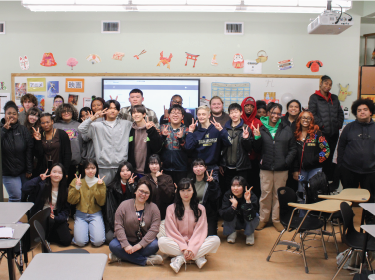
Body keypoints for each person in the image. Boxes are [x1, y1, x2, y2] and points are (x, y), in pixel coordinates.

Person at [158, 178, 221, 273]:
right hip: (178, 243)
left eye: (189, 190)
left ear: (193, 191)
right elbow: (172, 232)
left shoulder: (201, 209)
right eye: (182, 190)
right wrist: (184, 247)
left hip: (196, 243)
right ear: (178, 192)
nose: (186, 193)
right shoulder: (171, 209)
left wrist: (191, 247)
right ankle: (197, 257)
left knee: (216, 240)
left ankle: (181, 258)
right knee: (162, 242)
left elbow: (200, 231)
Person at [252, 103, 297, 232]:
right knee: (265, 194)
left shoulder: (286, 128)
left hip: (281, 168)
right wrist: (257, 137)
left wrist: (286, 162)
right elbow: (256, 149)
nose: (275, 116)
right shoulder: (261, 127)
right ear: (268, 113)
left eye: (278, 113)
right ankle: (263, 219)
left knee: (278, 195)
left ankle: (276, 220)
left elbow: (293, 149)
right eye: (273, 113)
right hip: (265, 167)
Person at [108, 180, 163, 266]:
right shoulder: (124, 205)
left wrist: (140, 245)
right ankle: (145, 260)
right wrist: (126, 245)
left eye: (146, 193)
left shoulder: (154, 208)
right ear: (135, 191)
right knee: (113, 245)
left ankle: (121, 256)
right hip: (126, 240)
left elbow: (154, 229)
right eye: (141, 191)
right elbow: (118, 226)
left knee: (155, 245)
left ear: (149, 195)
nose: (143, 194)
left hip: (144, 243)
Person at [78, 100, 132, 185]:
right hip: (103, 167)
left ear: (118, 111)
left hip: (121, 168)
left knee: (121, 194)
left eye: (115, 108)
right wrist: (93, 118)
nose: (112, 111)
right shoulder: (97, 126)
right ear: (105, 110)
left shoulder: (126, 124)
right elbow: (81, 128)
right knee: (104, 192)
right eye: (110, 108)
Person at [22, 164, 72, 246]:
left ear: (63, 175)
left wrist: (57, 218)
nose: (56, 175)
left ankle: (46, 236)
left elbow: (66, 210)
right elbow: (25, 188)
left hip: (56, 214)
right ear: (50, 173)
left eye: (59, 173)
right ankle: (45, 235)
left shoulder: (65, 190)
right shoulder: (41, 185)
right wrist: (38, 179)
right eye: (54, 172)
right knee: (30, 240)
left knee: (66, 241)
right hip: (42, 213)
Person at [338, 99, 375, 204]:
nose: (362, 112)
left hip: (371, 172)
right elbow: (341, 147)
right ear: (356, 113)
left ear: (370, 112)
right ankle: (347, 219)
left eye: (365, 109)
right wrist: (340, 166)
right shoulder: (348, 128)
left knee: (371, 199)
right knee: (348, 199)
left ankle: (369, 219)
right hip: (349, 170)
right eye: (359, 110)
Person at [308, 75, 344, 183]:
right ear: (321, 84)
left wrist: (338, 124)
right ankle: (320, 181)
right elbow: (312, 114)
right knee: (322, 156)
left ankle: (329, 180)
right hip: (322, 133)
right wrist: (322, 125)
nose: (328, 86)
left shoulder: (334, 98)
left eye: (330, 84)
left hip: (334, 133)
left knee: (331, 156)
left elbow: (340, 113)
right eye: (326, 83)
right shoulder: (314, 97)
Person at [185, 105, 232, 181]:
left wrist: (221, 130)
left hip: (213, 167)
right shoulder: (195, 132)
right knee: (199, 191)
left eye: (203, 114)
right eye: (199, 114)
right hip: (199, 167)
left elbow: (229, 143)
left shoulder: (217, 129)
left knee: (213, 191)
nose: (201, 116)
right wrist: (190, 132)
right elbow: (188, 148)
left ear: (209, 115)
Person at [293, 110, 330, 201]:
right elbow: (293, 153)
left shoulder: (317, 134)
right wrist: (295, 170)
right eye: (303, 117)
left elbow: (326, 150)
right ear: (299, 120)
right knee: (301, 194)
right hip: (301, 170)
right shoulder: (295, 135)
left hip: (315, 169)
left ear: (311, 121)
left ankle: (314, 214)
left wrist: (313, 161)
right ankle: (302, 214)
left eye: (308, 118)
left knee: (314, 193)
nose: (305, 120)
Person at [68, 159, 106, 247]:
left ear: (96, 169)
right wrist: (77, 187)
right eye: (87, 168)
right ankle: (84, 232)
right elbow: (71, 200)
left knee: (98, 242)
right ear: (83, 169)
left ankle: (90, 231)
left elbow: (101, 202)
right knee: (80, 242)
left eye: (93, 168)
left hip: (96, 214)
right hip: (80, 214)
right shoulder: (76, 181)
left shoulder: (100, 182)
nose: (90, 171)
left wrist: (99, 187)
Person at [1, 101, 33, 202]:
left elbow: (29, 149)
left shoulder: (23, 130)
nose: (11, 116)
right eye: (9, 113)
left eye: (14, 114)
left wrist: (29, 169)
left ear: (17, 115)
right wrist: (3, 130)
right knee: (15, 197)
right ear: (4, 114)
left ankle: (21, 218)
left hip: (23, 171)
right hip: (8, 172)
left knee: (24, 197)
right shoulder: (1, 129)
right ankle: (12, 218)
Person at [139, 154, 175, 237]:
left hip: (164, 216)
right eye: (151, 164)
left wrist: (161, 179)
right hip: (148, 215)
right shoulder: (144, 179)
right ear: (148, 165)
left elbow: (169, 197)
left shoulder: (167, 178)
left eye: (156, 163)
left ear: (160, 164)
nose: (154, 166)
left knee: (161, 236)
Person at [220, 103, 253, 192]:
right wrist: (221, 164)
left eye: (236, 112)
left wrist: (246, 139)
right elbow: (221, 147)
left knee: (241, 190)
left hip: (241, 167)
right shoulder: (225, 129)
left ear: (241, 113)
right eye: (231, 112)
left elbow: (249, 148)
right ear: (229, 114)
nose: (234, 115)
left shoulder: (246, 128)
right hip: (227, 167)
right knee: (228, 190)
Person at [220, 176, 259, 245]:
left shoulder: (251, 195)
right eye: (233, 185)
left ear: (244, 186)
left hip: (246, 221)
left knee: (255, 215)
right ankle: (232, 232)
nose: (235, 188)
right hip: (235, 221)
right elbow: (224, 214)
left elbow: (253, 215)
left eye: (238, 186)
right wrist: (233, 205)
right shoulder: (227, 195)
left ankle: (249, 233)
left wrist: (248, 201)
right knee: (228, 212)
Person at [105, 162, 137, 244]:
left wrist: (131, 187)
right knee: (109, 238)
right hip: (115, 219)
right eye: (122, 171)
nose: (125, 173)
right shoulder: (112, 187)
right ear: (119, 173)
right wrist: (115, 226)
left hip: (130, 220)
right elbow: (110, 210)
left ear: (132, 172)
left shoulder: (136, 186)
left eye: (128, 170)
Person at [128, 105, 163, 177]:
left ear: (144, 114)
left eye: (138, 112)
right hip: (134, 171)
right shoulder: (131, 129)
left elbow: (157, 148)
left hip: (148, 171)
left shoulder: (151, 129)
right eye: (133, 113)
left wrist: (151, 130)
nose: (136, 114)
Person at [33, 113, 72, 177]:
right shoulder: (39, 135)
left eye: (47, 122)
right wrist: (38, 141)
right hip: (44, 171)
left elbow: (67, 153)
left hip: (59, 170)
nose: (46, 125)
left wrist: (66, 171)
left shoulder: (62, 134)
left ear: (52, 122)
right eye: (43, 123)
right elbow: (38, 155)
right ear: (40, 124)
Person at [54, 103, 83, 185]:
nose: (66, 113)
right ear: (60, 113)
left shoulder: (79, 125)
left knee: (74, 186)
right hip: (60, 161)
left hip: (76, 161)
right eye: (64, 111)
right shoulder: (55, 126)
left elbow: (83, 143)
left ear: (73, 112)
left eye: (68, 111)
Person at [190, 158, 221, 236]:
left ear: (206, 168)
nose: (198, 169)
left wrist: (212, 184)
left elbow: (215, 198)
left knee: (211, 237)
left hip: (208, 214)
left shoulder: (211, 182)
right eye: (195, 166)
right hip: (193, 213)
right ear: (192, 168)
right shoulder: (189, 183)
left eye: (201, 166)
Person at [160, 104, 189, 184]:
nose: (175, 115)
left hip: (181, 168)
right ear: (169, 115)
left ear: (182, 116)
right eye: (173, 112)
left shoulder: (186, 130)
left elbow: (189, 149)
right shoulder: (162, 128)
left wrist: (181, 139)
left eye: (178, 113)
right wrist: (163, 136)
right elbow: (157, 147)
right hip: (165, 168)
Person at [241, 97, 263, 201]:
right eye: (247, 105)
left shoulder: (258, 123)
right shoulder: (237, 120)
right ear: (243, 106)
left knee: (254, 186)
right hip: (240, 160)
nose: (249, 108)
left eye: (252, 106)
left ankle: (254, 208)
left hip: (254, 161)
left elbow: (261, 144)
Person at [281, 99, 302, 193]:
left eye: (296, 107)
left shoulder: (302, 122)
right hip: (282, 158)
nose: (293, 108)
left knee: (293, 188)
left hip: (297, 158)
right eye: (291, 106)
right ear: (287, 109)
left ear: (299, 109)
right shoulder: (281, 121)